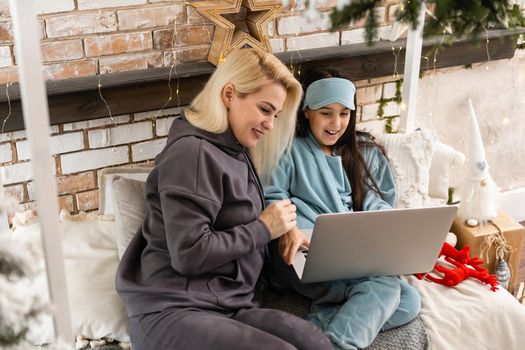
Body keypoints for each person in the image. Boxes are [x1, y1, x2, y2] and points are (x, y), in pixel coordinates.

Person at [115, 49, 333, 350]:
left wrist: (283, 233)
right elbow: (189, 253)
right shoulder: (192, 154)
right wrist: (263, 228)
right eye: (265, 109)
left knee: (315, 342)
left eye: (276, 114)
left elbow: (241, 225)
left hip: (228, 305)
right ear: (229, 94)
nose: (271, 124)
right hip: (172, 310)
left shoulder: (236, 148)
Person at [264, 66, 421, 350]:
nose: (336, 123)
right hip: (304, 254)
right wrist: (289, 229)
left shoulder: (363, 150)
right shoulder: (289, 150)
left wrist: (386, 229)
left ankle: (317, 329)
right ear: (306, 111)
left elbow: (379, 201)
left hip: (354, 255)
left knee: (409, 301)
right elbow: (273, 196)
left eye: (344, 113)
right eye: (326, 113)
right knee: (386, 287)